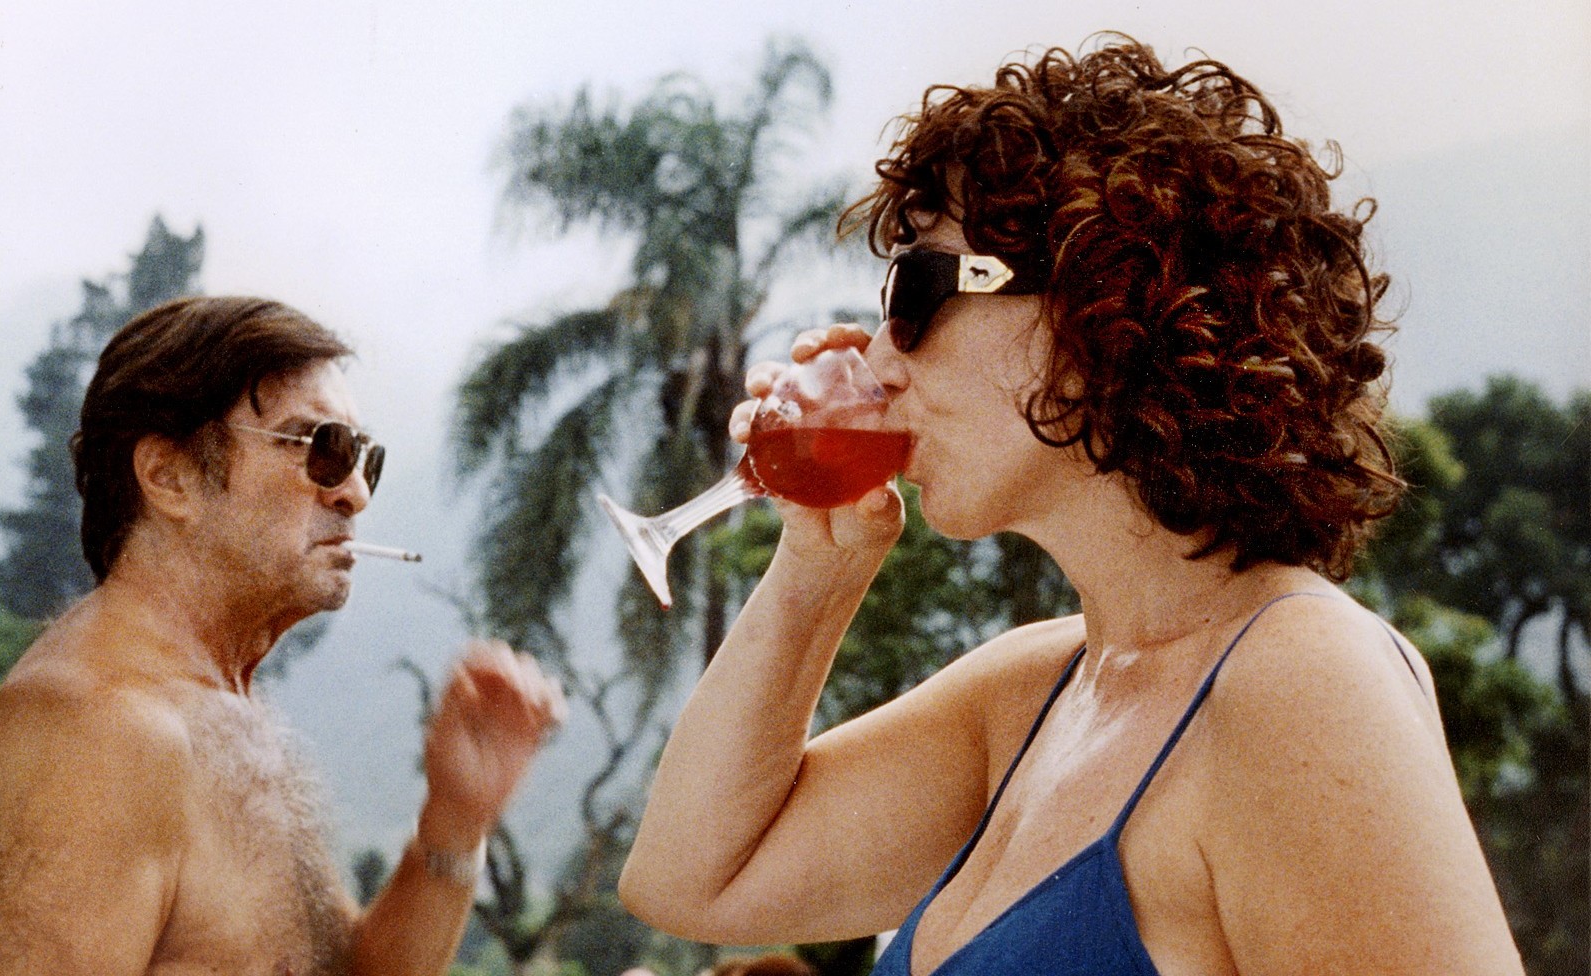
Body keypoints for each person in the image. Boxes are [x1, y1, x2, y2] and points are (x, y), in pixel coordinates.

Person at [618, 35, 1523, 975]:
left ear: (1104, 294)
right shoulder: (1036, 694)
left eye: (918, 290)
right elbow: (693, 880)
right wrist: (820, 562)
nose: (879, 358)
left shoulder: (1301, 680)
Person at [0, 296, 565, 976]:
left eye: (364, 458)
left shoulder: (213, 703)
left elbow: (341, 969)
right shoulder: (100, 735)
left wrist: (455, 819)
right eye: (320, 448)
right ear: (170, 477)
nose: (355, 493)